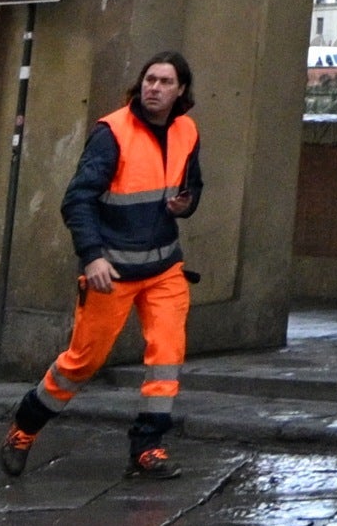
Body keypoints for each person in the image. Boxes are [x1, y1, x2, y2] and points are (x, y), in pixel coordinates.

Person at [15, 54, 203, 478]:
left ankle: (147, 446)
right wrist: (93, 256)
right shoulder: (112, 133)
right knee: (82, 361)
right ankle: (25, 426)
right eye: (149, 79)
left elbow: (194, 186)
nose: (154, 87)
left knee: (167, 356)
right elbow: (76, 199)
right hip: (112, 271)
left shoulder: (187, 131)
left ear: (180, 92)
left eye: (164, 81)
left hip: (165, 268)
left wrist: (186, 204)